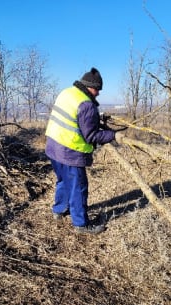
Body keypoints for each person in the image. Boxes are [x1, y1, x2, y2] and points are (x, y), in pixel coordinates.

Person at [45, 67, 124, 234]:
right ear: (89, 86)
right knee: (78, 187)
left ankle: (59, 211)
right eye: (97, 89)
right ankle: (81, 224)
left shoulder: (67, 92)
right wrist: (113, 135)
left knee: (63, 181)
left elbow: (74, 118)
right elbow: (91, 135)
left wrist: (96, 119)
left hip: (53, 146)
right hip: (70, 152)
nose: (98, 93)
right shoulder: (86, 104)